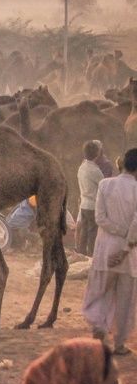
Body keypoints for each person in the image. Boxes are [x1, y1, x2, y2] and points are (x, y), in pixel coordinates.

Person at [83, 147, 137, 355]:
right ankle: (120, 345)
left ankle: (98, 333)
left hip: (105, 250)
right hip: (129, 255)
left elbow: (100, 218)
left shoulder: (105, 185)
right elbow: (135, 224)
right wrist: (125, 246)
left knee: (100, 293)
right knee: (125, 300)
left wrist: (117, 232)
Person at [77, 140, 105, 256]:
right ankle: (91, 256)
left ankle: (81, 254)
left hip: (83, 204)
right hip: (93, 205)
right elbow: (104, 186)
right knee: (92, 232)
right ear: (97, 153)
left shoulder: (82, 167)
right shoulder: (95, 170)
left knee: (84, 231)